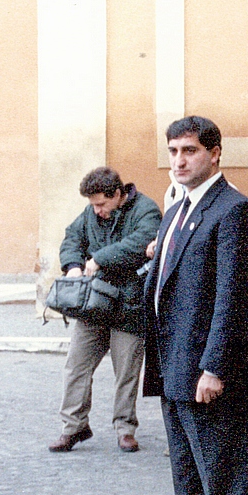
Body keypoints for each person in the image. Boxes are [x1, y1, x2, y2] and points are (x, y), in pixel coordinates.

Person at [145, 116, 248, 495]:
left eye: (190, 151)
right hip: (173, 370)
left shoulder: (235, 211)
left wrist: (214, 367)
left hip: (210, 376)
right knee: (189, 480)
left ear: (215, 153)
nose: (179, 160)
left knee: (226, 480)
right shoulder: (178, 209)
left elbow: (234, 301)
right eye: (173, 151)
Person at [48, 167, 160, 453]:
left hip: (129, 305)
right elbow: (72, 236)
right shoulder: (91, 213)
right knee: (76, 366)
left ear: (118, 194)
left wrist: (98, 259)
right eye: (93, 205)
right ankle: (73, 427)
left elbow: (138, 245)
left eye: (101, 204)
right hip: (95, 303)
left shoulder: (146, 210)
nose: (97, 211)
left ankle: (125, 428)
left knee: (126, 372)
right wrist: (72, 266)